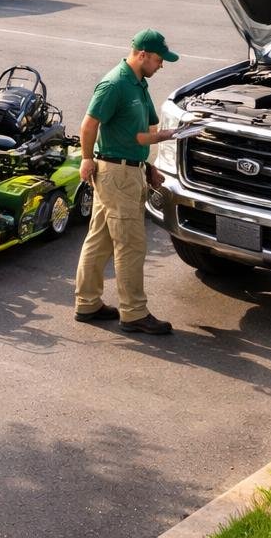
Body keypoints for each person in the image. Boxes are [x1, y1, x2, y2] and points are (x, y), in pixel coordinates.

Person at [73, 29, 180, 337]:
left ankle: (87, 303)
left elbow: (136, 136)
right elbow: (89, 124)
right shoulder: (115, 84)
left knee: (101, 239)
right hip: (115, 175)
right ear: (142, 54)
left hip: (127, 170)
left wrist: (145, 165)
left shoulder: (139, 84)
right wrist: (86, 158)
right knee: (131, 244)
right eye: (159, 59)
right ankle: (133, 313)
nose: (162, 65)